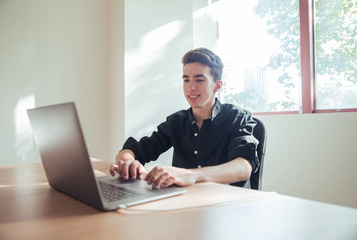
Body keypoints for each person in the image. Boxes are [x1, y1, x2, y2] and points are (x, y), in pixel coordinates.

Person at [110, 47, 259, 189]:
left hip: (228, 205)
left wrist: (191, 174)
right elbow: (132, 151)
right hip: (186, 202)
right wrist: (129, 163)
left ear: (217, 86)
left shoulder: (237, 117)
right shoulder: (176, 122)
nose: (190, 87)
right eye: (186, 79)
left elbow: (244, 167)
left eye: (199, 80)